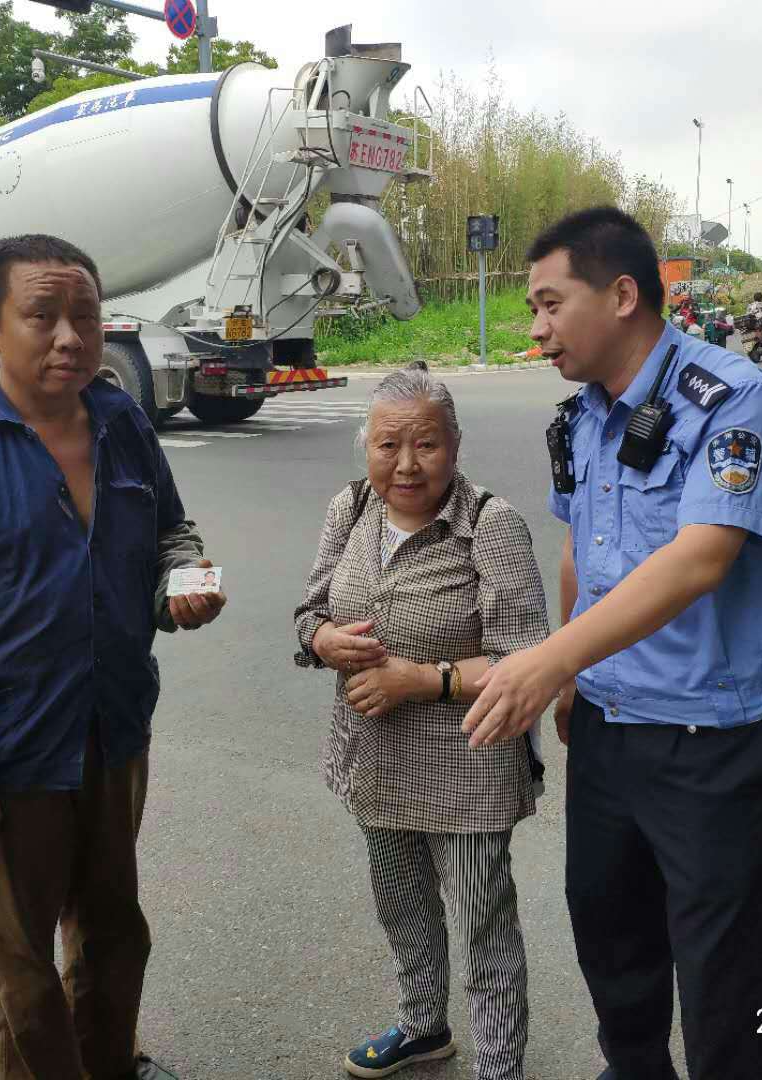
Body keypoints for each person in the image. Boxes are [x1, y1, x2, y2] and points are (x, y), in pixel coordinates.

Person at [0, 234, 226, 1080]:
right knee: (25, 965)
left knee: (113, 929)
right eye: (43, 315)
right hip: (9, 753)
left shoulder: (123, 422)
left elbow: (176, 531)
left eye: (85, 315)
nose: (69, 335)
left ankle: (110, 1063)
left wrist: (189, 580)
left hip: (114, 728)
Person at [462, 207, 762, 1080]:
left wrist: (551, 660)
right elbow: (582, 548)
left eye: (548, 303)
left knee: (722, 969)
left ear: (620, 294)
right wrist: (575, 681)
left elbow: (700, 558)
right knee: (611, 932)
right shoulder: (583, 418)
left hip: (709, 740)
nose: (536, 330)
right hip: (608, 721)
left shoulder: (732, 399)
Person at [293, 362, 550, 1080]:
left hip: (467, 767)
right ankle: (422, 1026)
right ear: (367, 448)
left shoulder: (490, 526)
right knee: (403, 907)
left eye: (427, 445)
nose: (406, 464)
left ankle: (500, 1069)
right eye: (387, 445)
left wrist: (420, 680)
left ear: (456, 445)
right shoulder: (350, 511)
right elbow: (309, 611)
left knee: (483, 926)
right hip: (373, 761)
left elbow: (528, 660)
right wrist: (323, 640)